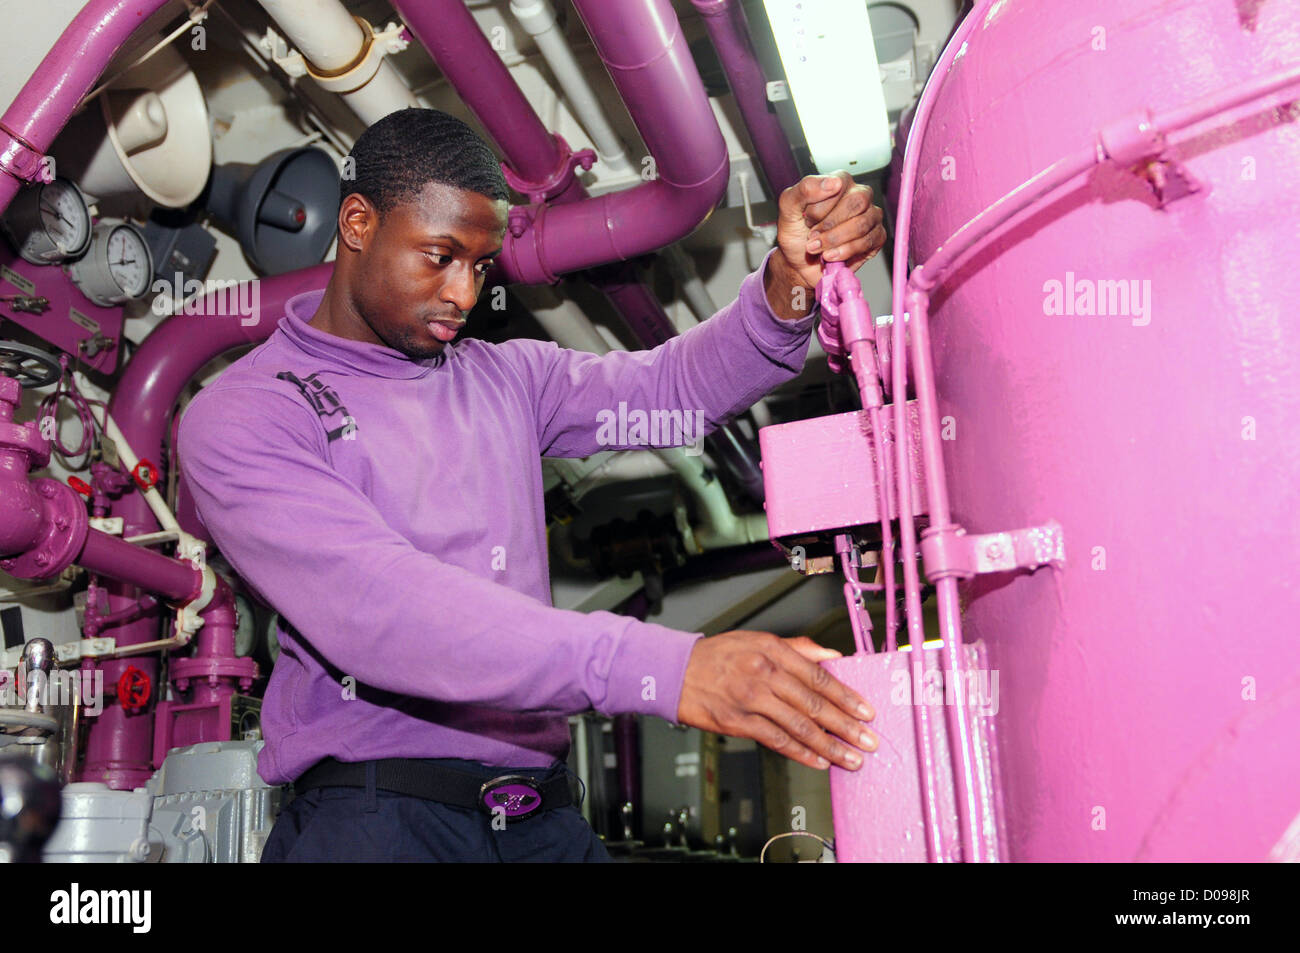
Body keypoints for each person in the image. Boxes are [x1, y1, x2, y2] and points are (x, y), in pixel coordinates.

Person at [177, 107, 888, 862]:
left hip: (539, 812)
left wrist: (785, 287)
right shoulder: (248, 411)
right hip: (378, 818)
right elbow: (382, 609)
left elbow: (671, 394)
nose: (462, 293)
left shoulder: (508, 377)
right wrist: (669, 668)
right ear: (357, 222)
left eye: (480, 266)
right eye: (439, 255)